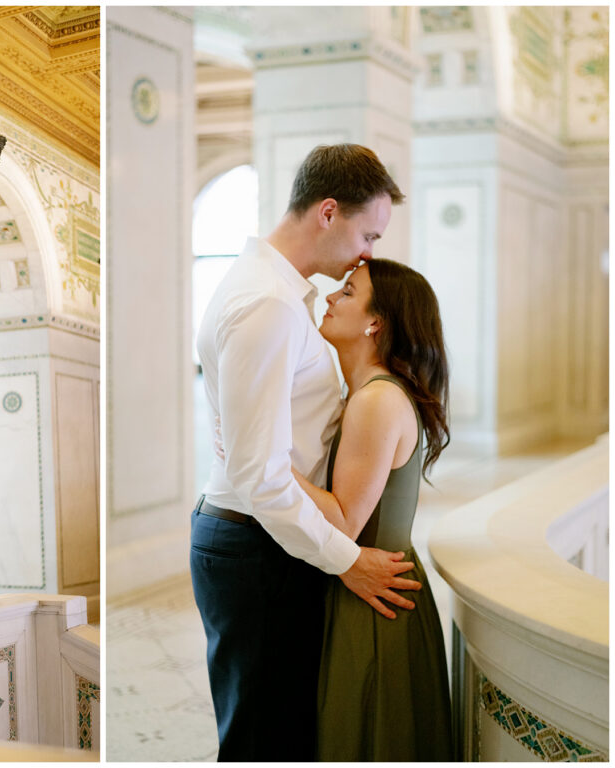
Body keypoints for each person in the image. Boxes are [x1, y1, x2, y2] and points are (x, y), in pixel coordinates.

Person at [191, 143, 419, 761]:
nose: (368, 251)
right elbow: (258, 475)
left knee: (280, 728)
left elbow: (259, 455)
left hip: (261, 536)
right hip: (257, 542)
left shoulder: (277, 294)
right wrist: (346, 559)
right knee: (265, 741)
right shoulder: (268, 304)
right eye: (368, 232)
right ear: (327, 213)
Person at [294, 259, 452, 760]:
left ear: (375, 322)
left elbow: (342, 520)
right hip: (377, 586)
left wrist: (262, 462)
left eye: (347, 291)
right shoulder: (371, 392)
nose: (330, 298)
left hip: (373, 598)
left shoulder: (376, 400)